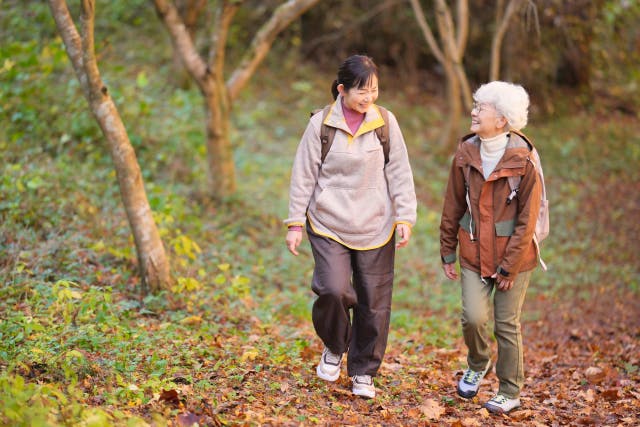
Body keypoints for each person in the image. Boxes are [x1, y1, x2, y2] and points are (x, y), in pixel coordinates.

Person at [284, 55, 417, 399]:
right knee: (333, 289)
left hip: (376, 223)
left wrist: (405, 216)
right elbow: (304, 174)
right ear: (342, 90)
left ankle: (363, 372)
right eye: (361, 91)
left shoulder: (385, 122)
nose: (368, 97)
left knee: (374, 302)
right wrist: (295, 222)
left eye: (374, 90)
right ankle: (334, 345)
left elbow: (399, 171)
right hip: (329, 221)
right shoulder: (321, 124)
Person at [439, 81, 542, 414]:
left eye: (480, 108)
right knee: (473, 317)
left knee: (506, 324)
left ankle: (510, 390)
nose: (473, 112)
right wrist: (447, 250)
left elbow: (527, 220)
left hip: (515, 257)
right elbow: (452, 204)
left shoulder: (524, 158)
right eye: (475, 106)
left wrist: (509, 266)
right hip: (472, 251)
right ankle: (478, 361)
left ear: (501, 119)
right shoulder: (465, 152)